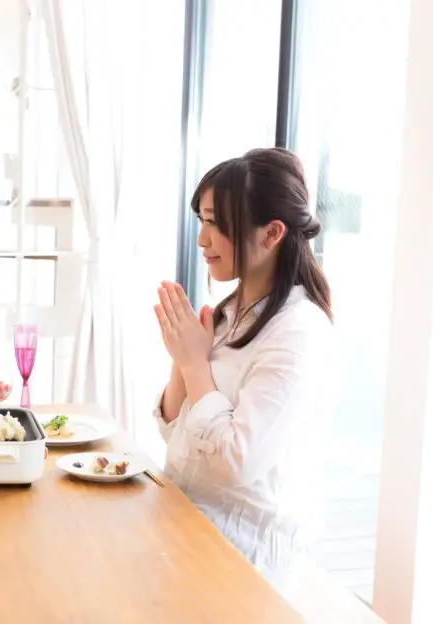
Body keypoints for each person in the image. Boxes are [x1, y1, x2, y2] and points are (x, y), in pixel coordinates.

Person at [153, 147, 335, 593]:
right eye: (201, 220)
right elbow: (175, 431)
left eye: (216, 222)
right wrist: (183, 359)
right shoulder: (232, 310)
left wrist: (196, 363)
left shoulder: (298, 330)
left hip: (243, 566)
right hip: (185, 532)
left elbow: (237, 462)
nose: (202, 239)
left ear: (272, 232)